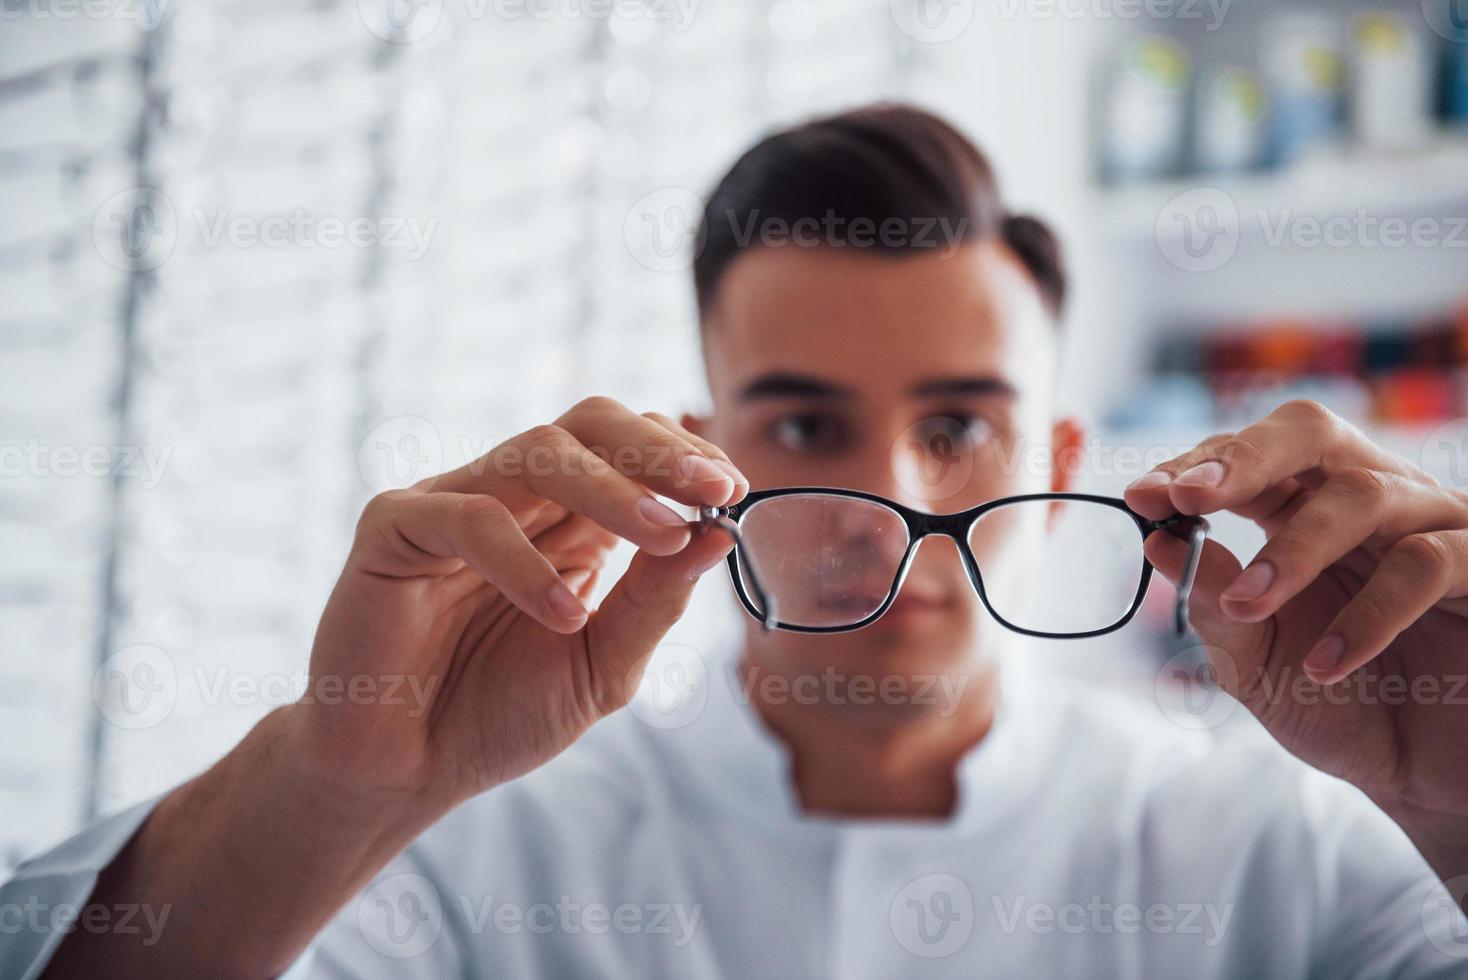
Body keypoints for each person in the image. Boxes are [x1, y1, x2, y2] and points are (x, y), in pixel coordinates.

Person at [5, 103, 1468, 979]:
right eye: (810, 427)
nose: (891, 505)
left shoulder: (1281, 847)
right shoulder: (478, 847)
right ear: (701, 454)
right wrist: (329, 779)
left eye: (960, 426)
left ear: (1062, 460)